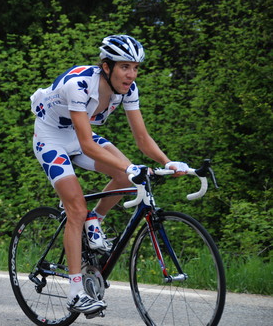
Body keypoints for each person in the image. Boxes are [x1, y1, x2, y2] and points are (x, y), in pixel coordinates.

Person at [30, 35, 188, 314]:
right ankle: (76, 292)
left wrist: (168, 161)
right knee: (76, 209)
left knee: (128, 178)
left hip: (80, 136)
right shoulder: (78, 84)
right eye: (125, 66)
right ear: (107, 67)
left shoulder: (129, 89)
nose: (132, 74)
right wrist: (129, 166)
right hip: (51, 137)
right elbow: (88, 144)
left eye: (136, 67)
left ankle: (96, 219)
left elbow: (141, 137)